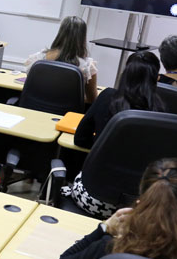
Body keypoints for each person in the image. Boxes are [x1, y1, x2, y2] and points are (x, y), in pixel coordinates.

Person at [69, 51, 163, 217]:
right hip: (138, 210)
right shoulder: (162, 112)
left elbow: (80, 139)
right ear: (157, 79)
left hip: (94, 199)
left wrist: (102, 145)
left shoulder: (106, 97)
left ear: (124, 74)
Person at [24, 16, 98, 103]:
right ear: (82, 37)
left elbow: (32, 89)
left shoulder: (37, 59)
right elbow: (92, 100)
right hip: (68, 114)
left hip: (36, 109)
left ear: (61, 33)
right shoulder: (87, 66)